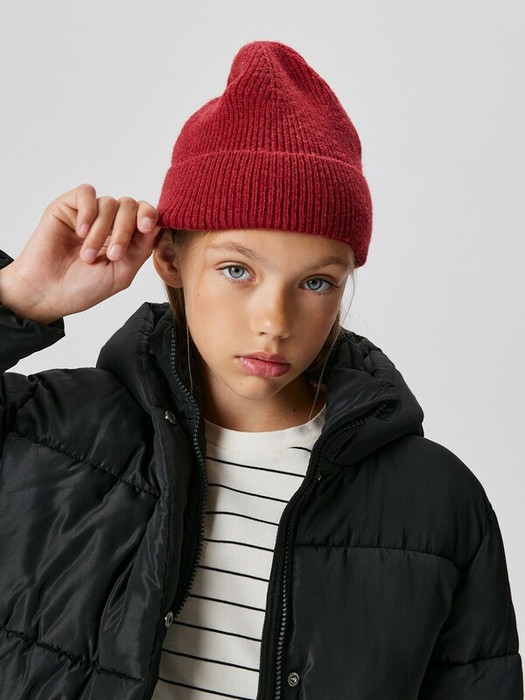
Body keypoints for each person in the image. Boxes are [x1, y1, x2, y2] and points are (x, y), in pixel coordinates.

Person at [0, 40, 522, 700]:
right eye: (236, 270)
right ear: (169, 259)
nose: (274, 320)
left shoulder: (435, 501)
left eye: (315, 283)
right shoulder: (47, 429)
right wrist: (17, 301)